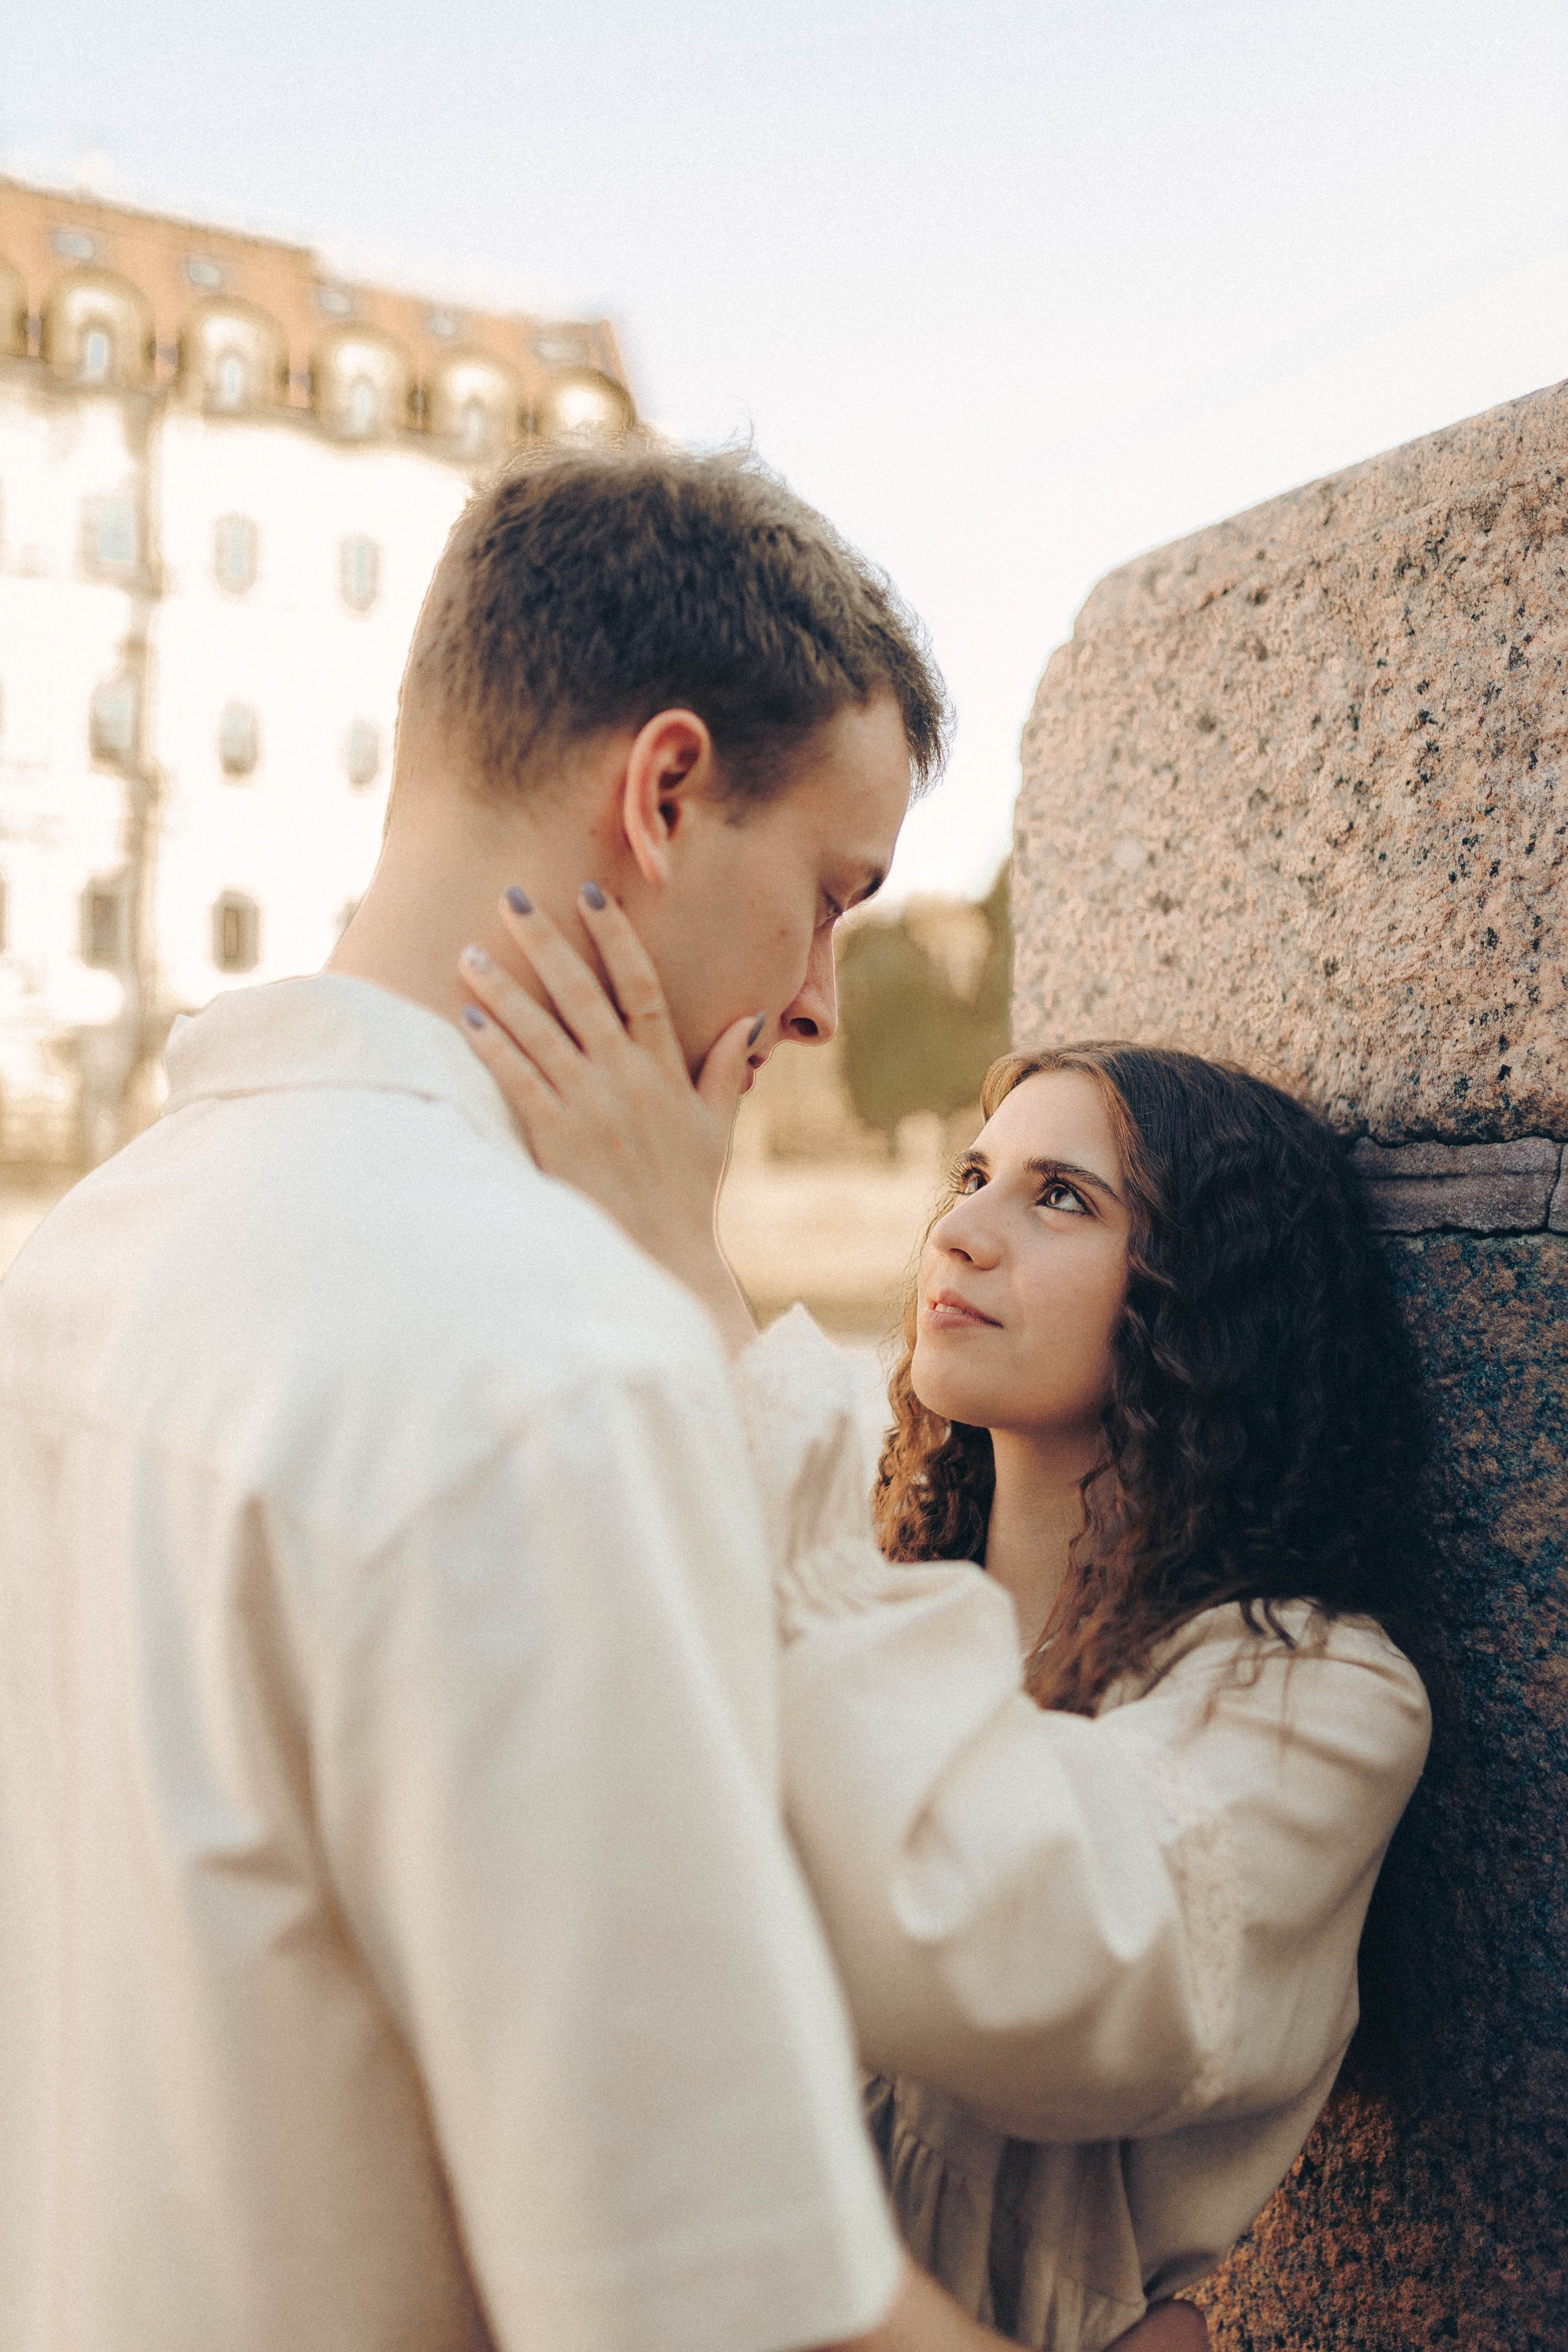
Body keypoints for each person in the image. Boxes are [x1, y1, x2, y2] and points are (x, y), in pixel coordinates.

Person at [0, 445, 1035, 2352]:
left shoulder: (75, 1262)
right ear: (661, 794)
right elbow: (732, 2311)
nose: (819, 999)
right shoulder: (547, 1360)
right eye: (827, 894)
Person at [454, 897, 1434, 2351]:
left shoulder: (1318, 1693)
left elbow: (1017, 1957)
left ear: (1210, 1306)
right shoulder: (865, 1541)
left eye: (1059, 1199)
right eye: (974, 1176)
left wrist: (680, 1245)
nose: (961, 1231)